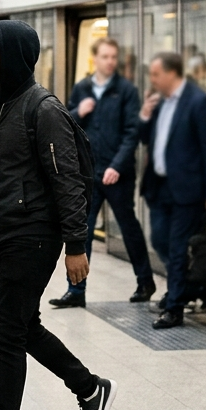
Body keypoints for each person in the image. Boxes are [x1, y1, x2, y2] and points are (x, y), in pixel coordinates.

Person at [0, 20, 117, 410]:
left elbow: (68, 182)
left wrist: (76, 245)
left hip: (35, 235)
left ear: (10, 57)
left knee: (6, 332)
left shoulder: (43, 109)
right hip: (3, 233)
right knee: (23, 327)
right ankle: (89, 388)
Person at [51, 37, 152, 308]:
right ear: (95, 58)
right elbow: (66, 124)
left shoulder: (126, 91)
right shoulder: (83, 88)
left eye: (113, 57)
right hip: (89, 175)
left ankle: (145, 281)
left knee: (128, 227)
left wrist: (116, 166)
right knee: (81, 232)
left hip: (118, 174)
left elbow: (132, 133)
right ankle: (76, 290)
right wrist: (78, 111)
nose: (110, 62)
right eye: (105, 57)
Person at [139, 51, 206, 330]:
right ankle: (191, 288)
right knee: (160, 241)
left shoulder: (199, 102)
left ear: (171, 74)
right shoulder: (161, 103)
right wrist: (145, 115)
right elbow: (147, 140)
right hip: (161, 187)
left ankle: (175, 306)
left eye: (155, 74)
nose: (152, 80)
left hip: (189, 189)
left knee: (178, 249)